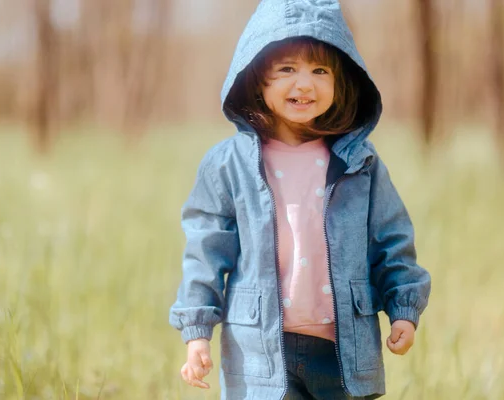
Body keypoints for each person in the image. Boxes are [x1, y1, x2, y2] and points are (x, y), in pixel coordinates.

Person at [169, 0, 431, 399]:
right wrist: (197, 332)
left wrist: (404, 310)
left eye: (320, 70)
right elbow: (205, 251)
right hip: (259, 353)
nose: (304, 84)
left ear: (342, 80)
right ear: (258, 78)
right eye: (287, 69)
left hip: (342, 350)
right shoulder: (228, 165)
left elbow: (391, 239)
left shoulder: (359, 163)